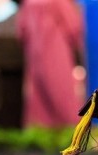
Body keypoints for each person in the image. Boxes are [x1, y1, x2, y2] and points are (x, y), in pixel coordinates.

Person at [16, 0, 85, 128]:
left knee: (38, 104)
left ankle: (40, 138)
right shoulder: (59, 2)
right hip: (57, 54)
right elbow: (73, 28)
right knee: (62, 96)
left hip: (34, 58)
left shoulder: (28, 3)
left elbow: (21, 31)